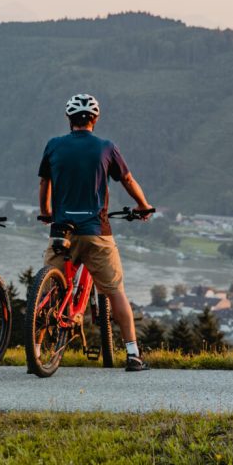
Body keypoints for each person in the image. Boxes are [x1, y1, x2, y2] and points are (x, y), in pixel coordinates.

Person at [37, 93, 154, 372]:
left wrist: (46, 212)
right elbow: (126, 178)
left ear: (69, 120)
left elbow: (45, 182)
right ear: (95, 119)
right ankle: (133, 355)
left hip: (62, 231)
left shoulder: (53, 146)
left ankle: (37, 348)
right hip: (96, 231)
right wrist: (143, 205)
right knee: (116, 291)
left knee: (47, 291)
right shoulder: (106, 147)